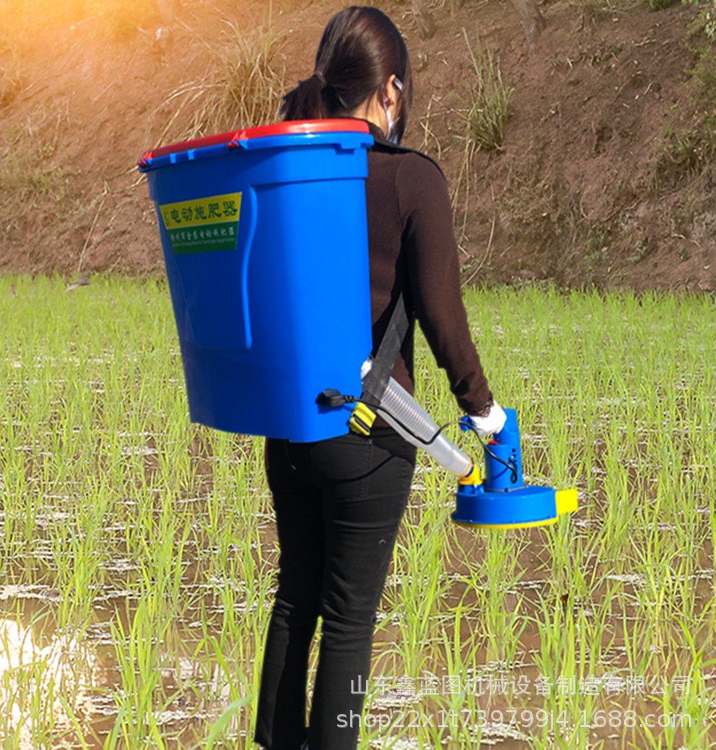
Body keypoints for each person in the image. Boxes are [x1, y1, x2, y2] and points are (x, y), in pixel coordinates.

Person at [253, 7, 506, 750]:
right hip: (369, 438)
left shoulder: (288, 170)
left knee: (295, 599)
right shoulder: (410, 178)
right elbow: (442, 317)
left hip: (291, 427)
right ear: (390, 89)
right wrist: (485, 414)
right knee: (349, 619)